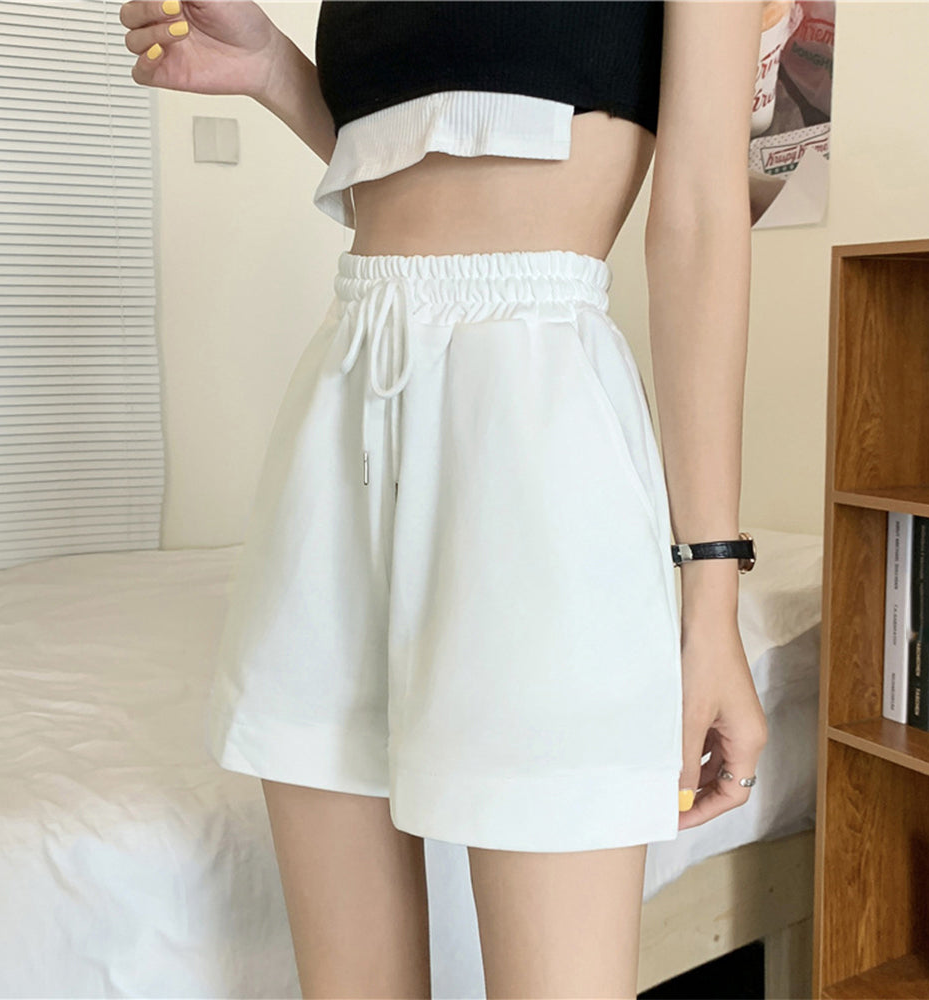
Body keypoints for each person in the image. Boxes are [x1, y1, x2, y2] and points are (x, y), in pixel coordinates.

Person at [119, 2, 770, 997]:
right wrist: (274, 69)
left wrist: (712, 591)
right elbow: (414, 157)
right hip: (344, 399)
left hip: (537, 417)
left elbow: (698, 214)